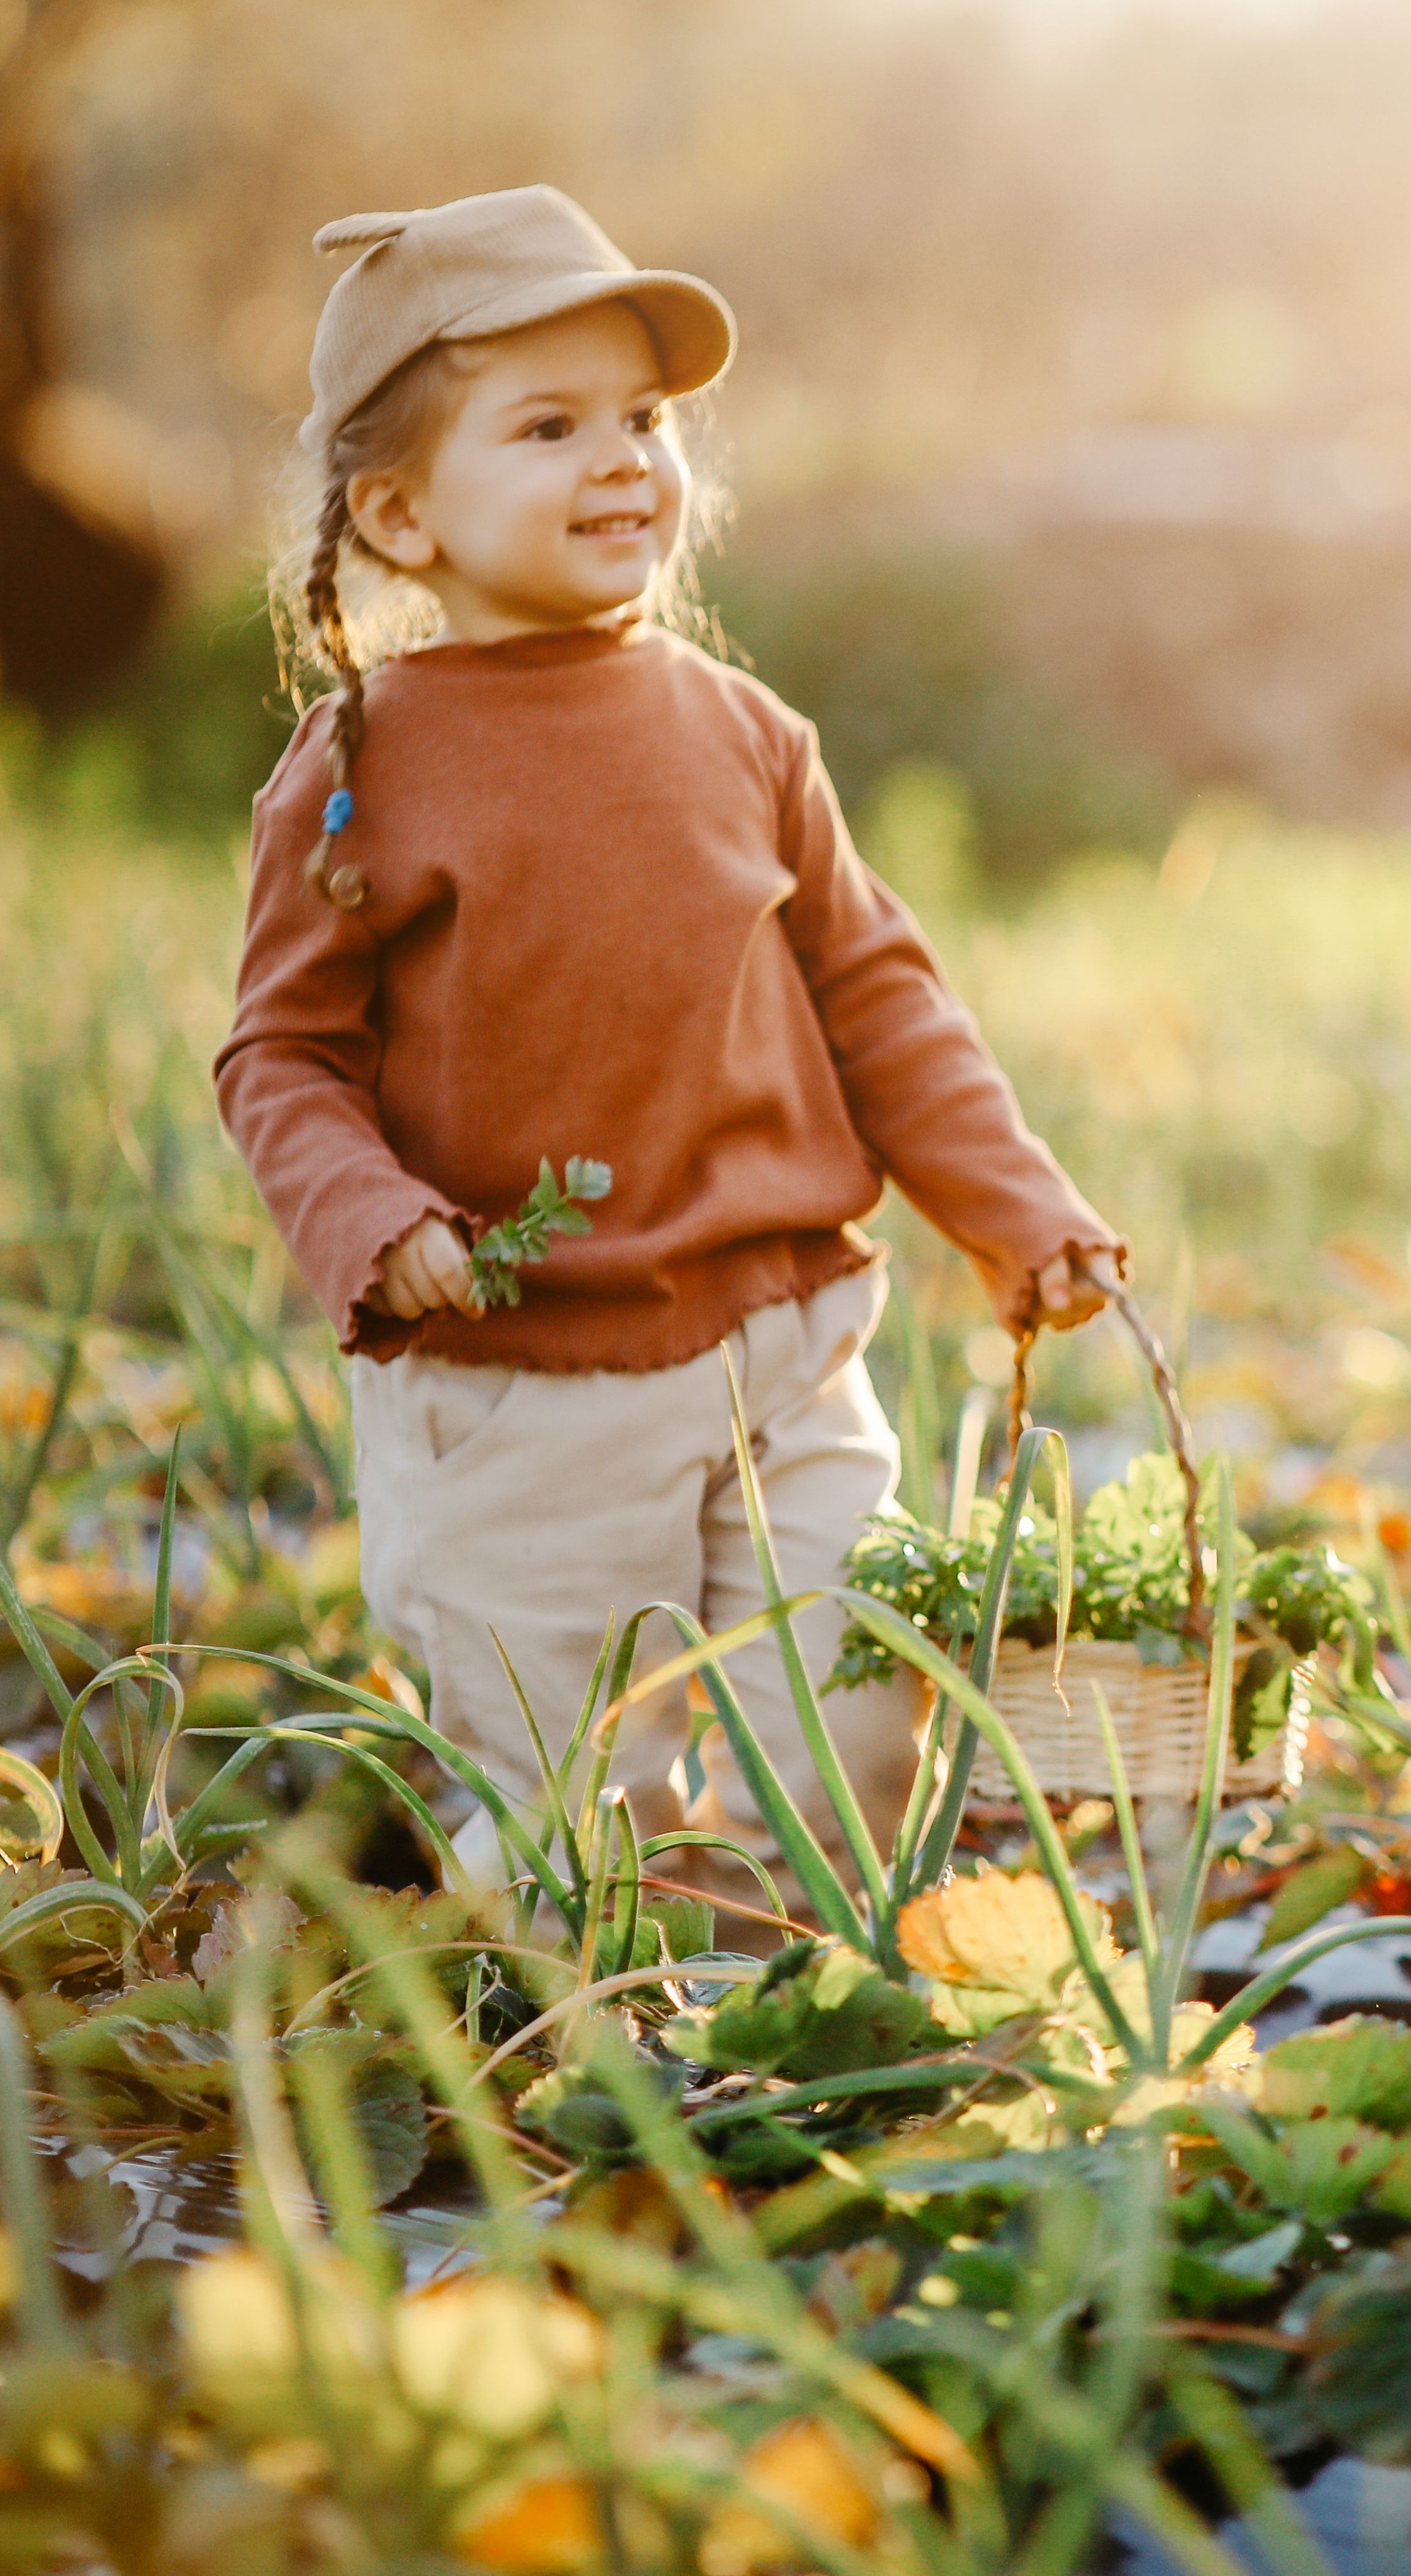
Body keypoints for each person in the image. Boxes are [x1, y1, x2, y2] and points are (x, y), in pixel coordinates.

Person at [213, 187, 1120, 1888]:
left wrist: (1020, 1209)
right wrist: (372, 1217)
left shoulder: (749, 737)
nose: (625, 457)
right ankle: (568, 2070)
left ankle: (786, 2037)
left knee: (850, 1720)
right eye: (550, 425)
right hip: (522, 1386)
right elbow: (284, 1060)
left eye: (644, 418)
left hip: (784, 1342)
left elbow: (885, 1000)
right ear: (400, 514)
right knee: (574, 1808)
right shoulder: (362, 775)